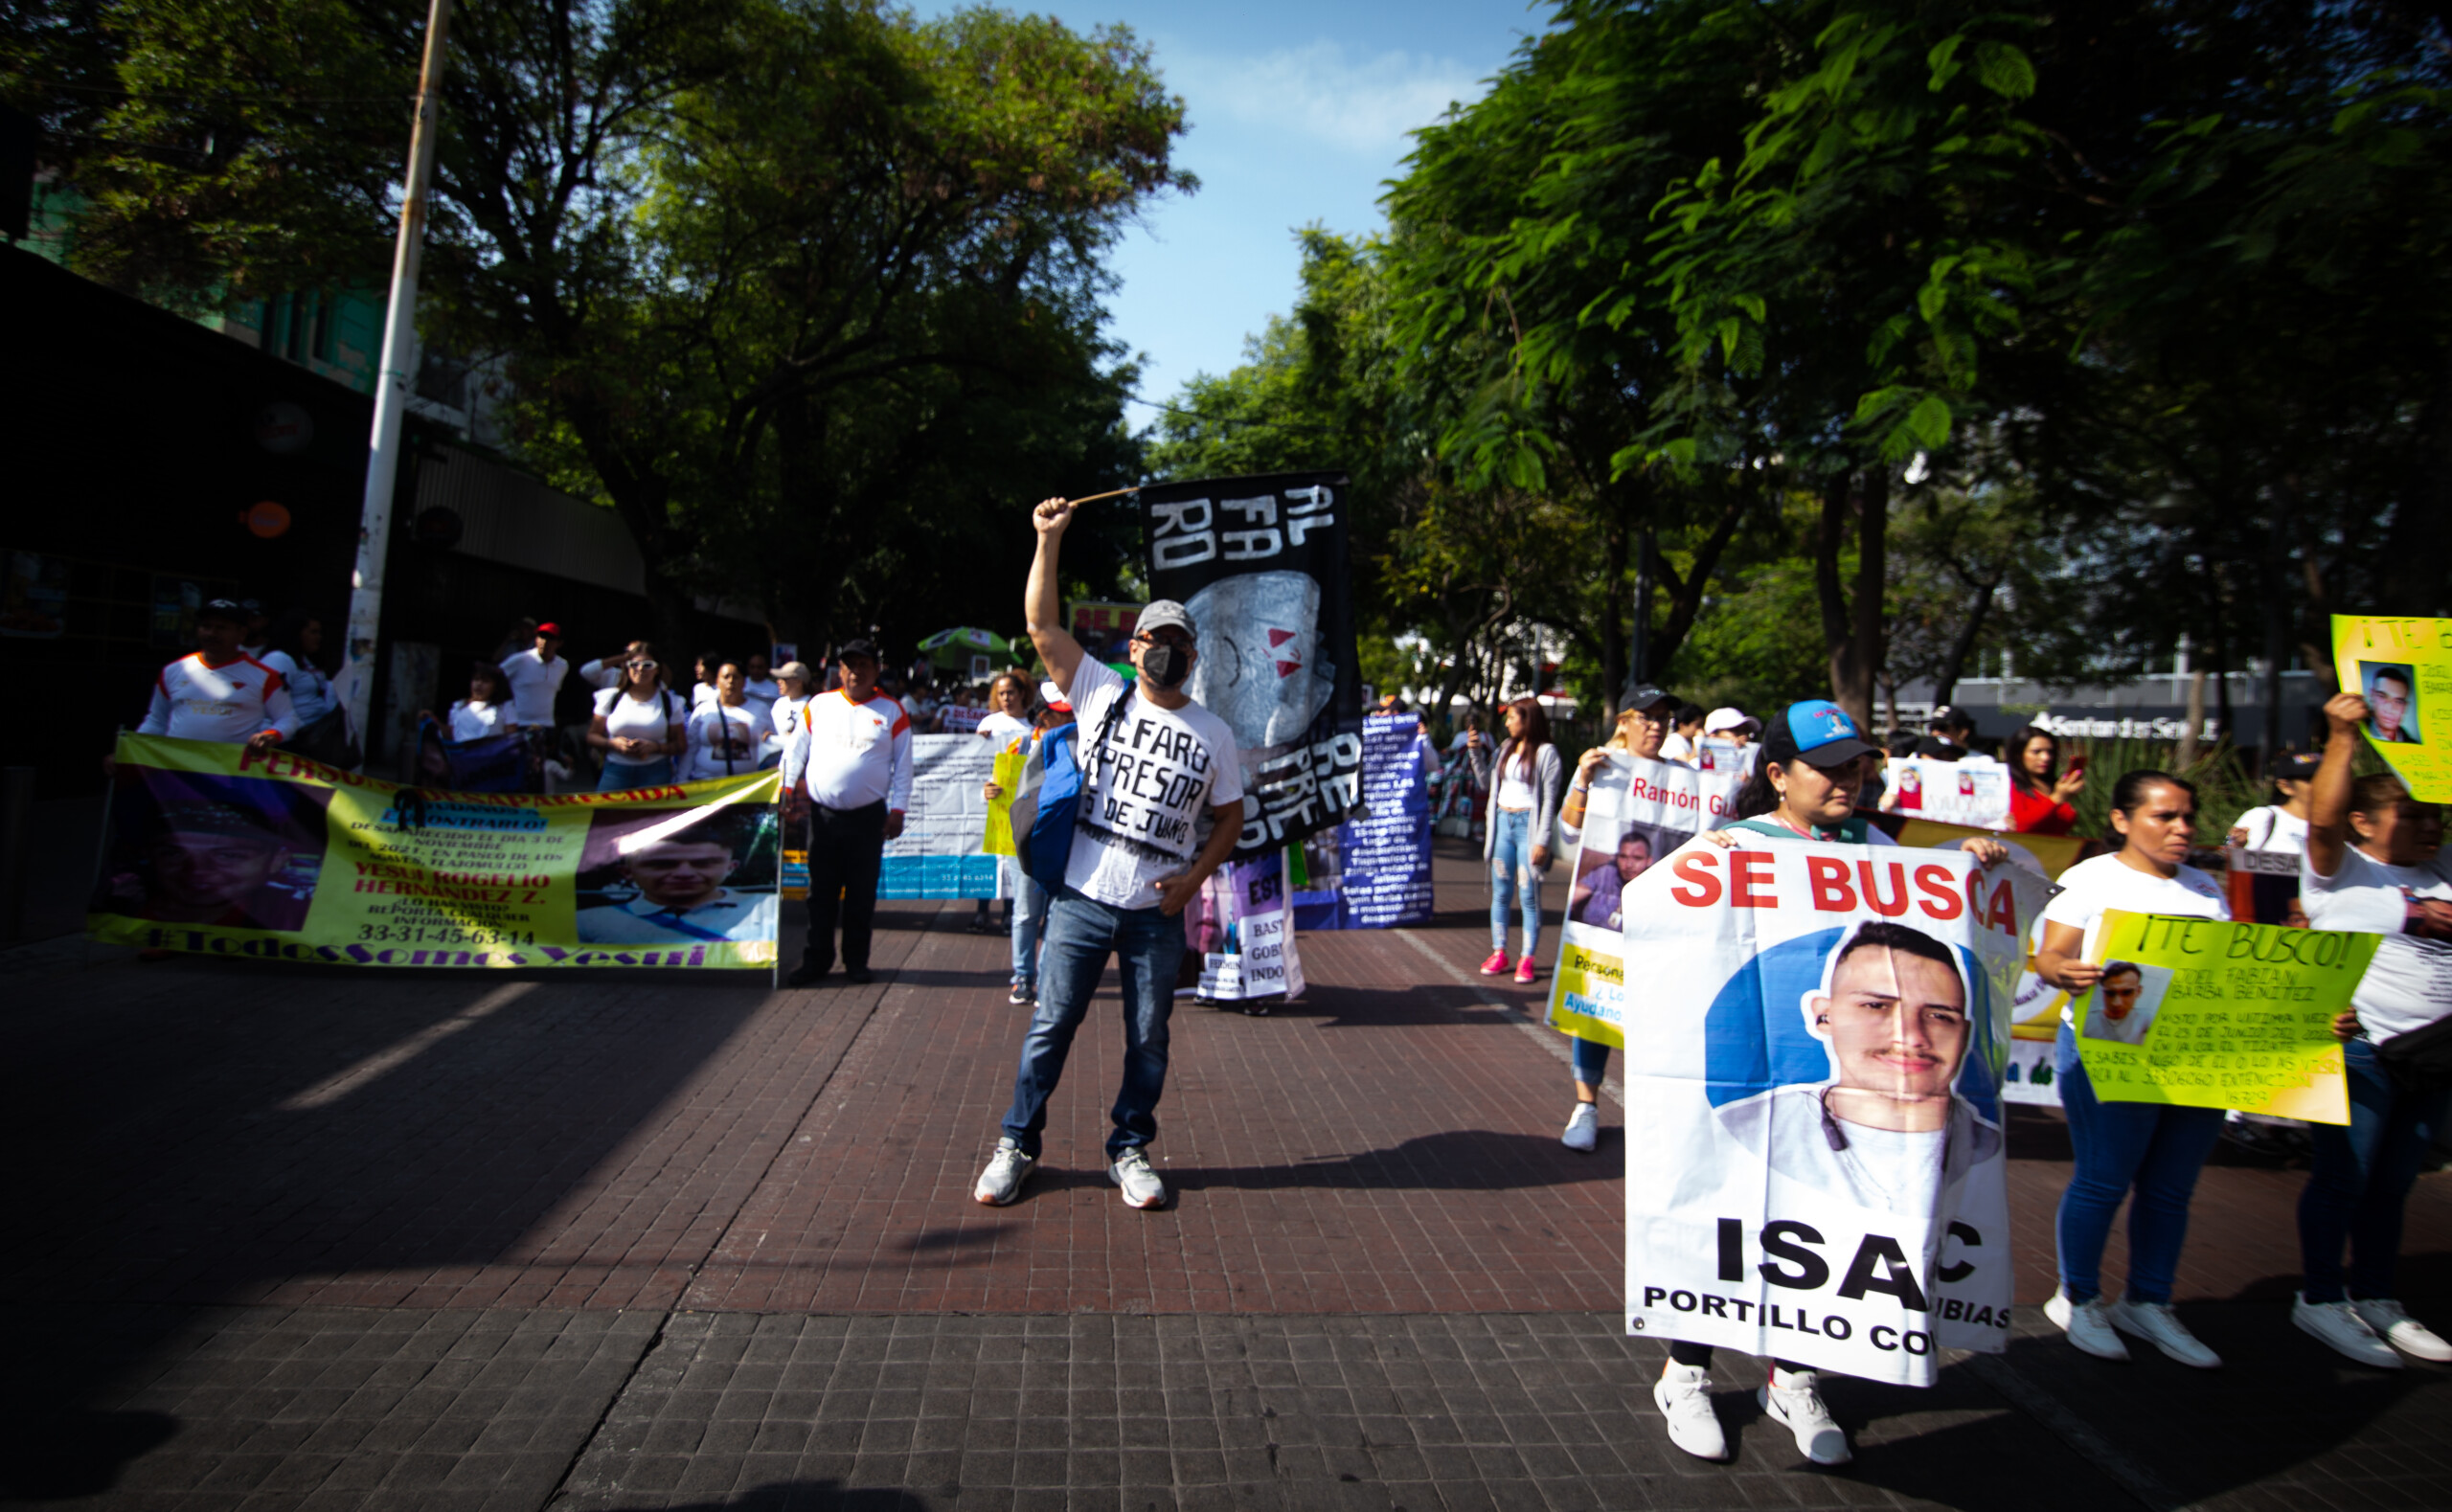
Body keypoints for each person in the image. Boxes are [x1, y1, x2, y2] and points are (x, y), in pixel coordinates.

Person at [1650, 699, 2009, 1467]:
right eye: (1830, 765)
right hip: (1750, 1066)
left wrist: (1968, 862)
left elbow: (1936, 904)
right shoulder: (1733, 846)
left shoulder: (1877, 845)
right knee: (1729, 1215)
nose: (1850, 777)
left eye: (1857, 763)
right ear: (1778, 774)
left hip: (1840, 1085)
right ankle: (1687, 1371)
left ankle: (1794, 1373)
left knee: (1826, 1226)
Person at [972, 496, 1245, 1213]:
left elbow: (1231, 815)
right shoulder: (1099, 691)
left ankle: (1131, 1147)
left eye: (1180, 642)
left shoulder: (1215, 732)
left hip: (1157, 911)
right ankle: (1017, 1144)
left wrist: (1195, 879)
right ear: (1133, 646)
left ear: (1194, 655)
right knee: (1050, 1026)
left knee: (1149, 1039)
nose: (1168, 649)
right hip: (1081, 899)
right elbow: (1041, 624)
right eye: (1155, 636)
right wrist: (1047, 539)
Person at [2031, 770, 2232, 1369]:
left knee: (2172, 1189)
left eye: (2188, 817)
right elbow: (2049, 955)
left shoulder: (2204, 888)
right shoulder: (2091, 877)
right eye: (2164, 816)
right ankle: (2079, 1297)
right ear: (2121, 820)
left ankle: (2149, 1301)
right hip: (2109, 1050)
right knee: (2103, 1178)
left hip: (2192, 1055)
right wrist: (2064, 972)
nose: (2182, 829)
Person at [2290, 689, 2452, 1366]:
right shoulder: (2341, 871)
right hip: (2359, 1048)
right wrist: (2340, 737)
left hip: (2435, 1054)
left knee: (2395, 1183)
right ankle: (2322, 1298)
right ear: (2362, 820)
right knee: (2343, 1178)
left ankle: (2379, 1296)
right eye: (2410, 815)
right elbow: (2320, 823)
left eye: (2434, 814)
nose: (2428, 827)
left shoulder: (2445, 870)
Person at [1714, 920, 2003, 1215]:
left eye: (1939, 1016)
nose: (1911, 1037)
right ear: (1824, 1016)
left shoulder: (1989, 1149)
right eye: (1877, 1006)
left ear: (1964, 1033)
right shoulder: (1747, 1128)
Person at [1555, 686, 1678, 1149]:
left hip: (1658, 923)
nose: (1656, 725)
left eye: (1663, 717)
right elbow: (1568, 830)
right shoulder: (1601, 766)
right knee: (1595, 1009)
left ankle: (1654, 1115)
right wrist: (1583, 779)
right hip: (1605, 928)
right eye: (1646, 716)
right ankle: (1585, 1107)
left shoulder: (1680, 776)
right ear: (1624, 720)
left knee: (1656, 1016)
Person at [780, 639, 912, 986]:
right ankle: (816, 960)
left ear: (876, 670)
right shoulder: (819, 705)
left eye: (863, 665)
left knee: (860, 893)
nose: (856, 672)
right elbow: (795, 752)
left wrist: (898, 810)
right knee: (820, 893)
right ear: (840, 671)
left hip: (868, 818)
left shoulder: (892, 711)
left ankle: (857, 962)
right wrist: (787, 787)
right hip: (823, 817)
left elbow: (905, 768)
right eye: (849, 665)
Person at [116, 598, 298, 768]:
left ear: (241, 633)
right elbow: (156, 720)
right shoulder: (173, 670)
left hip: (231, 772)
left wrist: (271, 736)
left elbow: (288, 718)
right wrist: (130, 751)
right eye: (206, 626)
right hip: (176, 770)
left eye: (221, 628)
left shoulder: (265, 676)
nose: (211, 633)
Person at [575, 813, 778, 944]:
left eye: (703, 863)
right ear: (626, 872)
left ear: (730, 867)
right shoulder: (588, 922)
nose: (684, 873)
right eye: (662, 864)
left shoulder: (768, 907)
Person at [1470, 696, 1561, 984]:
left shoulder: (1547, 753)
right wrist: (1474, 754)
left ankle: (1527, 958)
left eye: (1512, 717)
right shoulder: (1506, 748)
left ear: (1528, 719)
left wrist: (1542, 840)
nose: (1507, 722)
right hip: (1502, 824)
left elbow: (1549, 800)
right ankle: (1500, 951)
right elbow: (1486, 783)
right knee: (1500, 891)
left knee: (1528, 894)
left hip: (1528, 827)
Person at [967, 673, 1038, 938]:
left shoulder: (1033, 726)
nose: (1006, 698)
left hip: (1020, 803)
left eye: (1010, 692)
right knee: (988, 857)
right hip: (992, 802)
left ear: (1022, 693)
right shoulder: (989, 724)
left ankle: (1010, 912)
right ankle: (982, 911)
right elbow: (975, 766)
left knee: (1013, 857)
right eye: (1001, 693)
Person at [588, 649, 686, 791]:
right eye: (634, 664)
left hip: (655, 773)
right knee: (606, 813)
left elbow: (681, 745)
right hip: (615, 770)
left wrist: (655, 747)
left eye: (647, 665)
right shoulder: (610, 698)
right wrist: (613, 743)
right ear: (627, 668)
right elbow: (591, 736)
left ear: (657, 669)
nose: (640, 669)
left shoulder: (670, 702)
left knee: (653, 814)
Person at [684, 662, 773, 782]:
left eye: (736, 677)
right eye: (726, 677)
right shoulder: (703, 710)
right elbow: (690, 748)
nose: (731, 681)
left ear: (744, 682)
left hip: (747, 786)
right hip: (706, 784)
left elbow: (773, 747)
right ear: (717, 681)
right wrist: (681, 779)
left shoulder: (760, 709)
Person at [2231, 751, 2320, 851]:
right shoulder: (2262, 817)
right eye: (2310, 779)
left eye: (2325, 778)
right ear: (2285, 786)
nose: (2322, 784)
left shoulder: (2337, 826)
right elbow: (2228, 858)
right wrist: (2237, 846)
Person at [2006, 725, 2087, 835]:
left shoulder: (2055, 786)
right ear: (2018, 755)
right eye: (2036, 752)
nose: (2046, 757)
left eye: (2050, 752)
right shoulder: (2010, 786)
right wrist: (2056, 799)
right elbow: (2018, 826)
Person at [427, 662, 513, 744]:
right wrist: (432, 720)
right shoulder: (458, 706)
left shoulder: (506, 707)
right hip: (461, 757)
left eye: (486, 681)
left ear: (496, 687)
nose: (479, 684)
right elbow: (452, 734)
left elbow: (511, 740)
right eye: (476, 679)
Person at [765, 660, 816, 767]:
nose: (779, 681)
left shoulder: (812, 705)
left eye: (784, 678)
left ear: (799, 682)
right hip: (773, 761)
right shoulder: (779, 703)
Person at [2363, 665, 2418, 743]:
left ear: (2405, 707)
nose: (2389, 709)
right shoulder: (2353, 733)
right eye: (2382, 696)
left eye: (2398, 702)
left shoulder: (2412, 743)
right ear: (2372, 695)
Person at [579, 640, 650, 692]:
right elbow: (586, 672)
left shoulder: (649, 677)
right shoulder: (612, 674)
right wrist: (623, 658)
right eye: (630, 653)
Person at [1913, 706, 1978, 760]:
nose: (1935, 733)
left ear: (1962, 732)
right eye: (1932, 727)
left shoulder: (1980, 762)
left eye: (1942, 728)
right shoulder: (1919, 755)